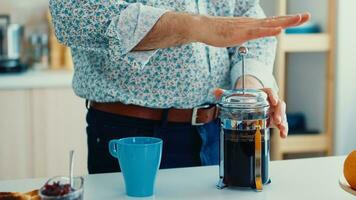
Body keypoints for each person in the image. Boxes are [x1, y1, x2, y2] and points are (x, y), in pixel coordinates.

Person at [49, 0, 310, 174]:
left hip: (220, 130)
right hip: (134, 135)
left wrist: (247, 89)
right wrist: (193, 26)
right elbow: (72, 16)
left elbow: (250, 23)